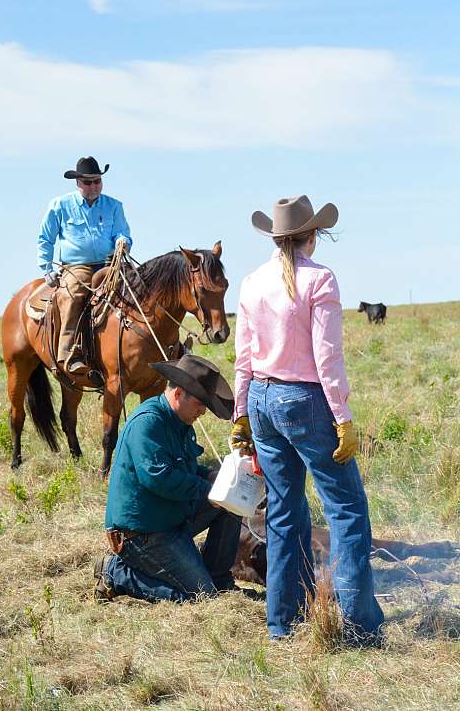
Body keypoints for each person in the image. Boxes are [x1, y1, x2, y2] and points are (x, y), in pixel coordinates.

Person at [231, 195, 384, 645]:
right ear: (312, 235)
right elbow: (327, 357)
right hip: (305, 400)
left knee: (283, 512)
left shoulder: (252, 282)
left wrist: (241, 413)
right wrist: (343, 418)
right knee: (347, 510)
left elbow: (243, 356)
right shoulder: (320, 279)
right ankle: (359, 627)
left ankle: (282, 623)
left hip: (262, 397)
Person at [94, 355, 246, 603]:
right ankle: (116, 572)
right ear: (177, 394)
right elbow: (158, 477)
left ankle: (219, 579)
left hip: (169, 520)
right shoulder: (148, 423)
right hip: (142, 535)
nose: (202, 412)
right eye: (199, 404)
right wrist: (208, 490)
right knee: (201, 596)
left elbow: (182, 466)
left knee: (230, 501)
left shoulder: (180, 421)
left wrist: (212, 477)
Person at [37, 156, 132, 374]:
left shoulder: (114, 206)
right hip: (77, 266)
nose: (93, 186)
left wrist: (122, 241)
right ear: (77, 183)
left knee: (140, 286)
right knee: (73, 295)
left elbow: (123, 232)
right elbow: (45, 238)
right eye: (88, 182)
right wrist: (47, 269)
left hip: (110, 263)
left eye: (97, 181)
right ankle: (69, 353)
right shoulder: (60, 205)